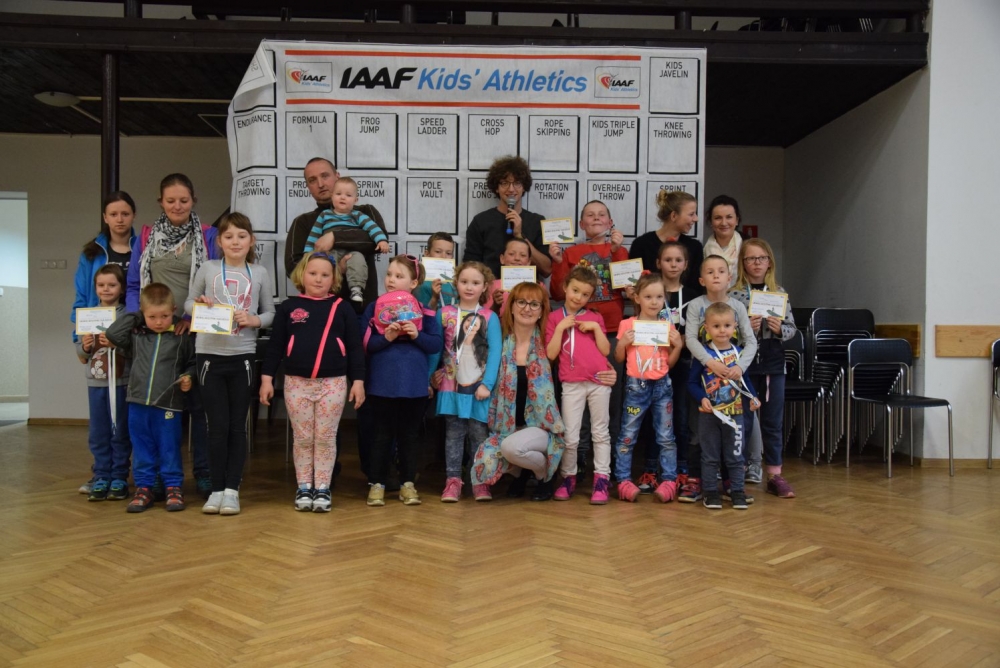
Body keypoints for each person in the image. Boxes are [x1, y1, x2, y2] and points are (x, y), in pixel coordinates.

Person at [126, 173, 219, 499]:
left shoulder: (208, 235)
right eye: (170, 200)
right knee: (158, 409)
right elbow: (134, 285)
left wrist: (191, 318)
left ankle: (203, 474)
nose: (177, 206)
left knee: (199, 407)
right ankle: (157, 480)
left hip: (195, 332)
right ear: (160, 203)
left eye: (184, 200)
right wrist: (140, 319)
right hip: (156, 336)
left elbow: (215, 283)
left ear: (193, 201)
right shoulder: (146, 237)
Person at [260, 252, 366, 512]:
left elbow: (355, 347)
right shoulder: (289, 307)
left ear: (334, 279)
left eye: (325, 275)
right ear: (302, 275)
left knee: (326, 438)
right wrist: (266, 379)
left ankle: (323, 488)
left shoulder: (342, 308)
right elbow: (275, 346)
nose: (318, 279)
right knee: (303, 438)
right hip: (296, 383)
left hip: (333, 383)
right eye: (313, 273)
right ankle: (304, 486)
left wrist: (358, 381)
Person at [185, 213, 275, 515]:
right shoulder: (208, 268)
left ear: (251, 241)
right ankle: (216, 489)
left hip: (243, 356)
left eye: (241, 236)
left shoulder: (259, 272)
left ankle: (232, 490)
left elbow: (270, 313)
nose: (235, 241)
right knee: (216, 427)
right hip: (209, 356)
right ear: (219, 242)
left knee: (237, 427)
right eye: (229, 236)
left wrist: (254, 320)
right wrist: (200, 305)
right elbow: (188, 303)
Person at [548, 199, 628, 475]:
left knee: (609, 395)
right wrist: (557, 261)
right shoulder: (571, 252)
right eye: (590, 215)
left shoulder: (618, 249)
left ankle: (610, 457)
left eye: (601, 215)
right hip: (575, 332)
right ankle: (578, 454)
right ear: (581, 224)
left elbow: (627, 287)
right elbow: (557, 292)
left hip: (611, 330)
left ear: (610, 222)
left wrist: (616, 252)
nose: (596, 218)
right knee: (576, 394)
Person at [469, 282, 566, 502]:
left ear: (541, 311)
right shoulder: (500, 343)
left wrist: (605, 371)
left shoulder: (547, 342)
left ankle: (544, 475)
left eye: (534, 304)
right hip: (508, 427)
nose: (527, 308)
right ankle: (521, 473)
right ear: (511, 307)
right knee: (486, 457)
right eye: (521, 302)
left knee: (511, 448)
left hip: (542, 428)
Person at [105, 283, 195, 513]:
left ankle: (173, 487)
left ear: (174, 310)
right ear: (143, 314)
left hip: (169, 404)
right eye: (152, 316)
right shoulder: (136, 334)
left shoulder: (181, 336)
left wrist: (188, 376)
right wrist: (137, 316)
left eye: (164, 316)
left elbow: (192, 363)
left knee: (169, 447)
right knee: (142, 447)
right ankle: (144, 488)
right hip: (138, 402)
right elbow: (112, 333)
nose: (158, 322)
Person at [361, 255, 442, 507]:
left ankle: (408, 483)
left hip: (414, 386)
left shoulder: (424, 310)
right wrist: (386, 337)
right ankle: (377, 484)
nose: (391, 280)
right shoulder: (374, 307)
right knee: (381, 435)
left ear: (414, 282)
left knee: (409, 436)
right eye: (389, 274)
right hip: (382, 384)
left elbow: (435, 344)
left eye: (399, 276)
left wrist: (417, 335)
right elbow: (365, 344)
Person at [71, 190, 138, 495]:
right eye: (113, 214)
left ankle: (119, 474)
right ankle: (101, 473)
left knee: (122, 424)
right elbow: (81, 299)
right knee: (99, 425)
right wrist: (80, 342)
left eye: (125, 213)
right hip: (95, 354)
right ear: (105, 218)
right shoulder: (91, 253)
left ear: (133, 216)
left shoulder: (142, 247)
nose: (119, 219)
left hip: (126, 352)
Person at [684, 255, 759, 502]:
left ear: (730, 277)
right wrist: (710, 362)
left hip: (734, 380)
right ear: (701, 279)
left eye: (721, 271)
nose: (716, 275)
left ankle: (731, 482)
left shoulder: (738, 306)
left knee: (735, 433)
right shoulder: (696, 305)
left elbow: (750, 341)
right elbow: (690, 338)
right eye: (710, 271)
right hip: (706, 376)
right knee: (701, 432)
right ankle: (700, 483)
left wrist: (739, 367)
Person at [730, 239, 797, 499]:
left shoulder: (778, 292)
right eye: (750, 258)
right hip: (744, 366)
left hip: (772, 364)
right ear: (743, 263)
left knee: (772, 422)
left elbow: (792, 329)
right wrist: (744, 329)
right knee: (743, 422)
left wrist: (780, 330)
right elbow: (724, 331)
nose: (756, 263)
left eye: (761, 258)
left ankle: (775, 475)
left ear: (769, 262)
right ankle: (739, 473)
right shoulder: (734, 295)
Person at [545, 265, 617, 504]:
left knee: (600, 433)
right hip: (571, 384)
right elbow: (551, 354)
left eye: (585, 294)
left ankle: (602, 479)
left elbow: (605, 350)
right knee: (570, 436)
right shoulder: (554, 318)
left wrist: (596, 328)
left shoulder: (595, 317)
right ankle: (568, 478)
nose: (578, 297)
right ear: (565, 287)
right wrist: (560, 328)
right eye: (575, 290)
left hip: (599, 382)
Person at [431, 261, 501, 502]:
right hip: (450, 386)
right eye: (464, 282)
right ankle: (452, 480)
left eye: (475, 283)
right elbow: (436, 349)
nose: (469, 287)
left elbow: (495, 353)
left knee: (478, 434)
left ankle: (479, 480)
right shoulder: (444, 314)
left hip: (479, 388)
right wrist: (431, 375)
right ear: (456, 284)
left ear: (485, 287)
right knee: (453, 434)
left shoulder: (490, 317)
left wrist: (487, 384)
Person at [612, 272, 684, 503]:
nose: (654, 302)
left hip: (662, 387)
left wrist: (678, 347)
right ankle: (623, 480)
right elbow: (619, 358)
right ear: (637, 298)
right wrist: (622, 343)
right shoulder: (627, 324)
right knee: (628, 435)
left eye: (659, 297)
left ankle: (669, 480)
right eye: (648, 297)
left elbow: (670, 363)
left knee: (666, 437)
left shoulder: (666, 326)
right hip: (636, 387)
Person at [285, 157, 387, 306]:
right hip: (321, 307)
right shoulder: (302, 222)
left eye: (325, 176)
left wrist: (334, 237)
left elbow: (377, 242)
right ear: (307, 187)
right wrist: (333, 270)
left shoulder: (366, 211)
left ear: (337, 176)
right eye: (312, 180)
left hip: (362, 308)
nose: (320, 184)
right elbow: (293, 267)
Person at [75, 264, 131, 502]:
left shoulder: (128, 316)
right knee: (99, 432)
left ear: (121, 288)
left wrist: (117, 344)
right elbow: (81, 355)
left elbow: (136, 349)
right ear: (95, 288)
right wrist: (85, 346)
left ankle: (119, 476)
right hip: (96, 383)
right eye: (101, 285)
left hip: (120, 381)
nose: (106, 289)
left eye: (112, 285)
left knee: (119, 430)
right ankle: (101, 476)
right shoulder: (88, 315)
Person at [656, 241, 705, 502]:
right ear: (659, 263)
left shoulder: (694, 295)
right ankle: (655, 467)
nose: (673, 265)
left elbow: (696, 330)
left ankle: (683, 467)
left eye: (678, 260)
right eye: (668, 260)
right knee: (657, 416)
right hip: (655, 362)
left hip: (685, 362)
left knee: (682, 416)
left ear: (686, 265)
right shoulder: (653, 292)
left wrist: (684, 341)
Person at [303, 176, 390, 303]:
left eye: (348, 195)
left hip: (352, 251)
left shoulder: (358, 215)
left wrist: (381, 240)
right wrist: (308, 256)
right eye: (338, 194)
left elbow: (373, 228)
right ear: (332, 196)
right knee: (324, 264)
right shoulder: (324, 215)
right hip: (331, 251)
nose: (342, 197)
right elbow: (314, 236)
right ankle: (327, 291)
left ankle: (356, 288)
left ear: (355, 200)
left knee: (358, 260)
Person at [463, 155, 551, 278]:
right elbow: (469, 267)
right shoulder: (481, 221)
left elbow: (546, 269)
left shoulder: (537, 221)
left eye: (517, 183)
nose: (511, 189)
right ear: (496, 188)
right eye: (504, 183)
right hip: (491, 288)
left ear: (524, 187)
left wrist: (520, 235)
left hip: (526, 289)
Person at [630, 189, 703, 292]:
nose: (696, 219)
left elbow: (697, 289)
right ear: (674, 216)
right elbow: (634, 285)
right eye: (691, 214)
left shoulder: (695, 248)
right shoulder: (641, 245)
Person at [487, 236, 549, 314]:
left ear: (529, 262)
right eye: (511, 254)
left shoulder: (539, 286)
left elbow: (545, 314)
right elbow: (485, 317)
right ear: (502, 259)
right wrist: (495, 306)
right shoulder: (491, 285)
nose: (517, 258)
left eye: (523, 255)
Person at [703, 195, 743, 285]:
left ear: (737, 220)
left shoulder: (747, 246)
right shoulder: (701, 251)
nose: (724, 223)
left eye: (729, 217)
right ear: (711, 221)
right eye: (718, 218)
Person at [414, 232, 458, 309]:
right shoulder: (420, 283)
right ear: (427, 254)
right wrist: (434, 297)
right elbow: (421, 313)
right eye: (438, 252)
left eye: (448, 253)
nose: (443, 257)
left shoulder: (457, 281)